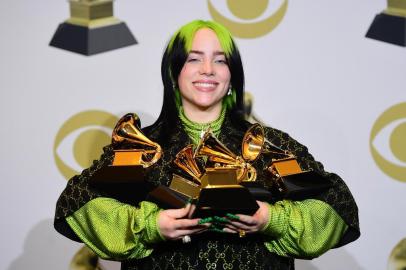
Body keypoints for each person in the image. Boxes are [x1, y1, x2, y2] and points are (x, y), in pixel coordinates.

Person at [54, 20, 360, 270]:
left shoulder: (272, 145)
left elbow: (337, 205)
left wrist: (271, 219)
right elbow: (76, 203)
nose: (208, 70)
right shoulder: (141, 146)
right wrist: (151, 225)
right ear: (174, 73)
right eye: (194, 58)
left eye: (220, 60)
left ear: (232, 78)